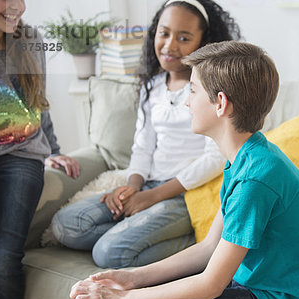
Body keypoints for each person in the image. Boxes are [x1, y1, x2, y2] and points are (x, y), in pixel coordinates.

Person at [70, 41, 299, 299]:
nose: (187, 101)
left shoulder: (256, 177)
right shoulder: (244, 156)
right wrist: (130, 279)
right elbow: (209, 248)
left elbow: (211, 284)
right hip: (263, 283)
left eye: (192, 91)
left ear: (220, 103)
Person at [52, 0, 241, 269]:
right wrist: (133, 186)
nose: (170, 45)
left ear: (205, 41)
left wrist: (154, 196)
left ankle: (199, 244)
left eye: (184, 37)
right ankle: (133, 233)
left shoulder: (211, 90)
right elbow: (143, 146)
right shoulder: (152, 87)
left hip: (185, 194)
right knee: (65, 226)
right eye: (164, 33)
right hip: (149, 184)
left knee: (108, 253)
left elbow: (214, 158)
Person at [0, 0, 80, 299]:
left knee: (3, 258)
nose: (16, 7)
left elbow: (37, 107)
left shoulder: (30, 41)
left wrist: (54, 149)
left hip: (20, 158)